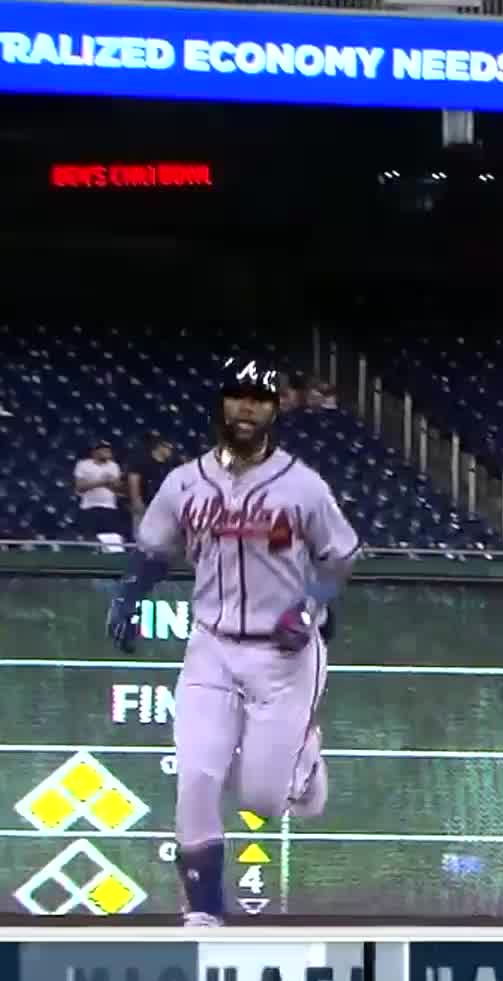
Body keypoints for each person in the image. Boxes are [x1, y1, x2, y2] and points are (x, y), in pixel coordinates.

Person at [105, 365, 362, 928]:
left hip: (285, 652)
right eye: (237, 397)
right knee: (196, 776)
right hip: (212, 644)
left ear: (275, 411)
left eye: (259, 400)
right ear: (222, 406)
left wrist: (313, 602)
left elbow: (340, 556)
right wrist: (127, 597)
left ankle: (303, 753)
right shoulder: (184, 482)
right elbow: (153, 548)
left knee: (263, 802)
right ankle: (203, 911)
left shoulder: (303, 485)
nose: (247, 408)